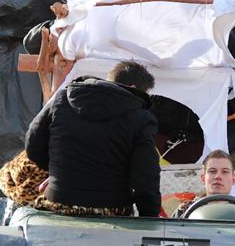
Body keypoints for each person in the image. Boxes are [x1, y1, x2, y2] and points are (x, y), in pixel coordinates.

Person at [25, 60, 161, 217]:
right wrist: (149, 216)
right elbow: (145, 176)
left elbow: (33, 147)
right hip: (111, 211)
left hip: (58, 203)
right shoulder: (141, 119)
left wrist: (60, 171)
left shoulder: (61, 99)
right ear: (133, 88)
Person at [171, 149, 235, 218]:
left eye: (225, 172)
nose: (218, 176)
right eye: (212, 171)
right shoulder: (184, 211)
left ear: (233, 179)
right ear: (203, 178)